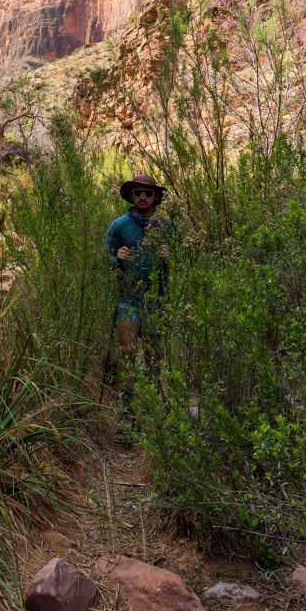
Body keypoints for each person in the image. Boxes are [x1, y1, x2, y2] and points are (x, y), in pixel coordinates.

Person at [105, 173, 171, 423]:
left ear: (156, 196)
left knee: (154, 356)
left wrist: (169, 257)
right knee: (128, 352)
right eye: (138, 193)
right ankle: (128, 411)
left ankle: (152, 409)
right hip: (127, 299)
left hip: (157, 300)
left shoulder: (167, 226)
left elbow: (185, 263)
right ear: (131, 196)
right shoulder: (119, 226)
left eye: (148, 193)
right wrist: (116, 258)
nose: (143, 197)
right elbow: (103, 260)